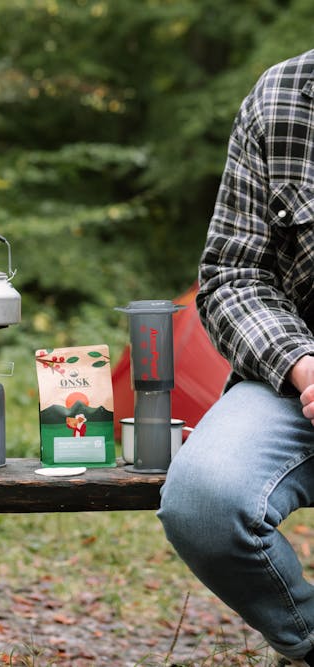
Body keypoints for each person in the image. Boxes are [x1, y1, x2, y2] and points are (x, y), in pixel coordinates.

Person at [158, 49, 314, 666]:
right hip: (294, 371)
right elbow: (233, 274)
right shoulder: (280, 97)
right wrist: (302, 363)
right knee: (205, 503)